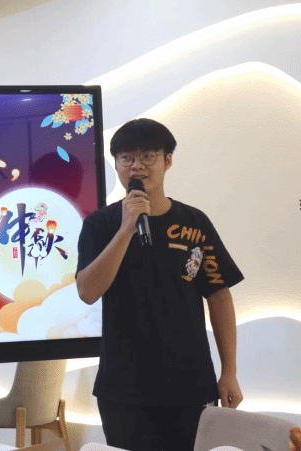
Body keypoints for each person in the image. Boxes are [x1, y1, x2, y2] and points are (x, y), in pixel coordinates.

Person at [75, 118, 244, 451]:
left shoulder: (195, 223)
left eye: (147, 156)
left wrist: (229, 372)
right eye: (126, 158)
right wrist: (126, 229)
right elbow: (87, 292)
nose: (136, 166)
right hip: (124, 389)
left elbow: (219, 296)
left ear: (168, 161)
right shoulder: (100, 224)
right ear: (116, 164)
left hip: (191, 384)